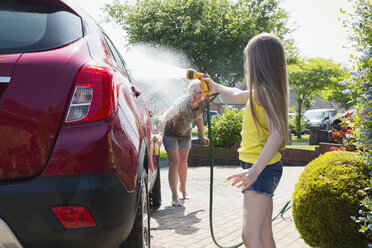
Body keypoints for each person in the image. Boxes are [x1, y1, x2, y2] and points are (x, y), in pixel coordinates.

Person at [204, 33, 288, 248]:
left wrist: (254, 171)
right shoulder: (262, 92)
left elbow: (277, 133)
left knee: (249, 236)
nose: (246, 64)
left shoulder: (264, 93)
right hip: (265, 168)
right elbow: (234, 93)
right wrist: (215, 86)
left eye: (249, 59)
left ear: (259, 61)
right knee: (264, 233)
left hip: (262, 170)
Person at [158, 80, 210, 207]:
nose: (197, 95)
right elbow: (163, 117)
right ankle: (174, 196)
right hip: (170, 132)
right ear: (189, 92)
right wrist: (160, 134)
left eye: (200, 93)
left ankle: (183, 188)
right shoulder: (181, 103)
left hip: (185, 134)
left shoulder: (201, 103)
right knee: (174, 161)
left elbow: (198, 119)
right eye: (194, 92)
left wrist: (202, 135)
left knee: (183, 160)